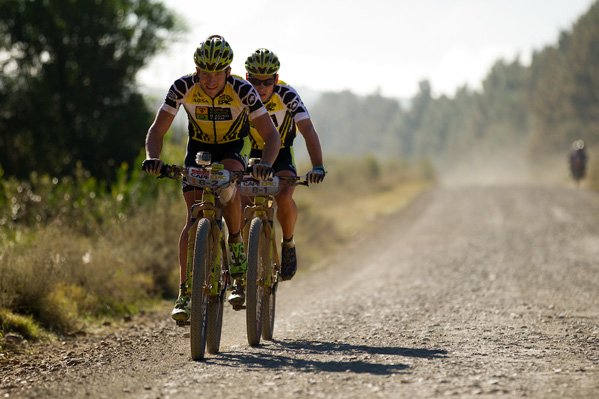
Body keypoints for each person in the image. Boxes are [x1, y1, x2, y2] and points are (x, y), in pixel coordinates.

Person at [142, 35, 280, 322]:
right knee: (192, 220)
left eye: (218, 72)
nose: (211, 79)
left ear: (228, 72)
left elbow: (271, 135)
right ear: (196, 71)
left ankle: (236, 242)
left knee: (228, 184)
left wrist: (265, 164)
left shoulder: (244, 90)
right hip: (198, 150)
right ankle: (185, 294)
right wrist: (153, 158)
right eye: (205, 72)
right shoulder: (183, 87)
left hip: (230, 149)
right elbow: (157, 131)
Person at [243, 48, 325, 281]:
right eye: (255, 80)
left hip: (281, 154)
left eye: (267, 81)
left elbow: (307, 130)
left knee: (284, 196)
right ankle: (240, 252)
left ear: (276, 80)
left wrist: (317, 166)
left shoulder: (287, 95)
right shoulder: (240, 94)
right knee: (239, 199)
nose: (261, 87)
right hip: (254, 154)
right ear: (247, 78)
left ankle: (288, 242)